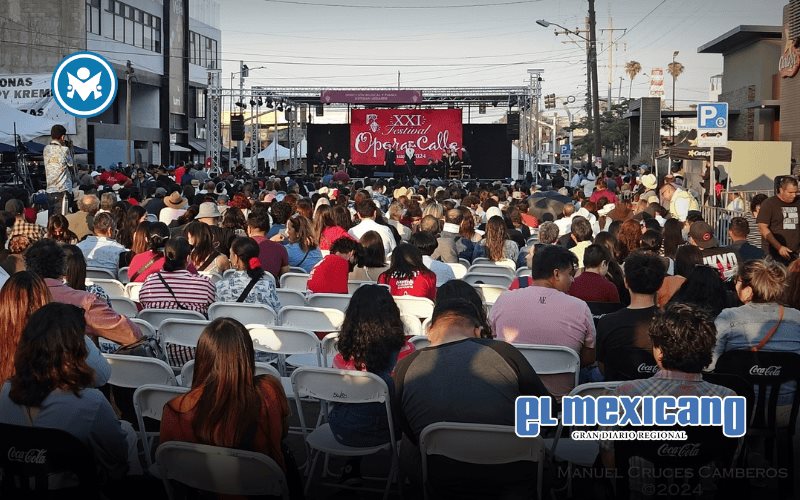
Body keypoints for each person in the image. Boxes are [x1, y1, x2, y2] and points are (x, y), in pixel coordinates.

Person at [393, 298, 550, 498]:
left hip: (440, 476)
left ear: (430, 330)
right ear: (477, 330)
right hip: (511, 474)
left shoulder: (406, 366)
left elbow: (408, 428)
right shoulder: (504, 352)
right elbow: (545, 411)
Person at [159, 318, 300, 496]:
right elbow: (281, 433)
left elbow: (171, 465)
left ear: (202, 357)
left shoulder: (176, 410)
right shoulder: (269, 391)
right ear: (247, 355)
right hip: (263, 491)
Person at [0, 303, 135, 479]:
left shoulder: (7, 391)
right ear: (77, 347)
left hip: (17, 490)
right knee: (129, 434)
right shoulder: (91, 403)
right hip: (75, 490)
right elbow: (117, 457)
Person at [599, 302, 736, 468]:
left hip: (637, 490)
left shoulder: (624, 394)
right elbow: (730, 457)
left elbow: (607, 452)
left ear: (659, 351)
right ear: (707, 349)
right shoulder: (728, 399)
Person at [328, 285, 411, 483]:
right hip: (387, 431)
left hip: (340, 428)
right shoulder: (406, 351)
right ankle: (407, 470)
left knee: (356, 402)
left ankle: (352, 465)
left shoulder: (342, 355)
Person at [489, 244, 594, 399]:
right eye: (570, 274)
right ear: (556, 274)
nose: (573, 279)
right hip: (561, 401)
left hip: (511, 396)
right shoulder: (580, 308)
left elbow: (493, 340)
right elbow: (588, 358)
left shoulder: (504, 299)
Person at [710, 260, 800, 413]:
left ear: (748, 290)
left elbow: (710, 364)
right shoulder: (797, 318)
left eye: (737, 281)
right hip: (787, 409)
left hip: (737, 408)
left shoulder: (728, 317)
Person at [26, 239, 141, 346]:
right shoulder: (85, 302)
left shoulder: (14, 299)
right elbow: (132, 335)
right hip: (72, 364)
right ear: (62, 268)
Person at [596, 252, 665, 381]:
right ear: (660, 284)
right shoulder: (673, 323)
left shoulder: (607, 322)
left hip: (617, 395)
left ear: (626, 282)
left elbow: (602, 367)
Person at [139, 237, 216, 317]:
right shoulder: (204, 284)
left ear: (165, 256)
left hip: (157, 329)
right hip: (195, 329)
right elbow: (213, 308)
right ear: (188, 258)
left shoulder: (149, 283)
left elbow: (143, 302)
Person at [216, 236, 281, 313]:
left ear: (236, 258)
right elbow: (277, 312)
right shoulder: (268, 285)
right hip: (258, 324)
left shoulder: (220, 286)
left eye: (230, 253)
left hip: (232, 324)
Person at [757, 176, 800, 264]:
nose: (794, 195)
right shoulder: (769, 203)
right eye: (790, 192)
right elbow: (763, 228)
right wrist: (779, 247)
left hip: (795, 253)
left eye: (796, 192)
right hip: (773, 254)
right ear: (781, 190)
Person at [76, 212, 127, 278]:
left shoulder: (79, 246)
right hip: (110, 287)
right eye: (115, 230)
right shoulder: (120, 250)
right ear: (109, 230)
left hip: (84, 286)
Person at [247, 206, 290, 279]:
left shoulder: (240, 247)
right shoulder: (280, 249)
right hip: (271, 288)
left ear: (249, 229)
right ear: (268, 228)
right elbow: (284, 277)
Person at [42, 124, 73, 216]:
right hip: (62, 190)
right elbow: (71, 165)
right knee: (62, 219)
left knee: (51, 218)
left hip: (50, 190)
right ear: (63, 137)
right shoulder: (65, 150)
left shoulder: (46, 149)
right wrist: (70, 149)